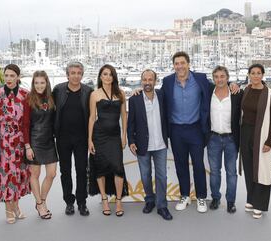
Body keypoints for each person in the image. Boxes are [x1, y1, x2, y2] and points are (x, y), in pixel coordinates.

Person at [161, 51, 210, 213]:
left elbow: (218, 86)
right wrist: (137, 92)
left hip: (195, 129)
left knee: (198, 164)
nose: (180, 66)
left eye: (182, 63)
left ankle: (201, 197)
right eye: (177, 64)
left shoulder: (200, 79)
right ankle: (185, 196)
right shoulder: (167, 81)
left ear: (188, 64)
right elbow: (159, 97)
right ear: (174, 66)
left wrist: (233, 84)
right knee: (180, 165)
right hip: (175, 131)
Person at [127, 69, 172, 220]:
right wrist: (131, 141)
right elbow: (130, 123)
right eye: (144, 80)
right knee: (145, 176)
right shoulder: (134, 99)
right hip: (142, 145)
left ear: (155, 81)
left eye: (150, 79)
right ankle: (150, 200)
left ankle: (162, 206)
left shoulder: (162, 95)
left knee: (162, 176)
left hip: (160, 144)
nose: (147, 82)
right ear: (141, 81)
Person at [53, 62, 93, 216]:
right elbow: (48, 107)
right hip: (62, 138)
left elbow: (94, 113)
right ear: (67, 74)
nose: (76, 76)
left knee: (82, 170)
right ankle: (69, 202)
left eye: (79, 73)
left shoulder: (88, 91)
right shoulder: (58, 90)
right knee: (65, 171)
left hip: (81, 138)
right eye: (73, 73)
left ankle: (82, 202)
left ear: (82, 75)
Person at [88, 64, 128, 217]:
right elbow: (92, 118)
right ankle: (104, 199)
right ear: (100, 76)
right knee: (101, 168)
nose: (108, 77)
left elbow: (124, 116)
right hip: (99, 136)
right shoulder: (95, 94)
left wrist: (124, 135)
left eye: (110, 74)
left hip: (114, 136)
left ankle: (118, 201)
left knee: (118, 167)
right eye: (105, 74)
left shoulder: (121, 93)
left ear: (114, 77)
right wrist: (89, 140)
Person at [0, 64, 31, 224]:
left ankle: (16, 206)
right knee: (6, 174)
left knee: (18, 175)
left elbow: (28, 121)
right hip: (2, 141)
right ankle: (8, 209)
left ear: (18, 76)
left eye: (12, 76)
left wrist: (28, 144)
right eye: (6, 75)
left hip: (19, 140)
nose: (8, 79)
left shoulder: (25, 95)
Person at [240, 63, 271, 219]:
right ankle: (251, 198)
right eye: (253, 73)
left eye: (258, 73)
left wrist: (269, 140)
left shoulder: (270, 94)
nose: (255, 75)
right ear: (249, 75)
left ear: (263, 75)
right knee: (249, 167)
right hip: (245, 132)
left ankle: (259, 204)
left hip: (261, 134)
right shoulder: (246, 90)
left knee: (262, 169)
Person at [207, 66, 243, 213]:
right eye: (216, 76)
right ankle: (216, 198)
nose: (219, 79)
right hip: (213, 138)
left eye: (222, 76)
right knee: (215, 172)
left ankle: (230, 201)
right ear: (213, 78)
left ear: (227, 78)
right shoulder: (209, 92)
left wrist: (236, 84)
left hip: (231, 139)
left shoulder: (236, 93)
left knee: (231, 172)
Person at [23, 71, 58, 219]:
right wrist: (27, 146)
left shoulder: (51, 98)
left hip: (49, 141)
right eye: (36, 83)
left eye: (42, 82)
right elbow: (25, 125)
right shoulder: (29, 99)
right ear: (33, 84)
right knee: (35, 175)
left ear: (47, 83)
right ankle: (40, 204)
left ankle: (41, 201)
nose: (39, 85)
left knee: (52, 174)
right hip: (35, 141)